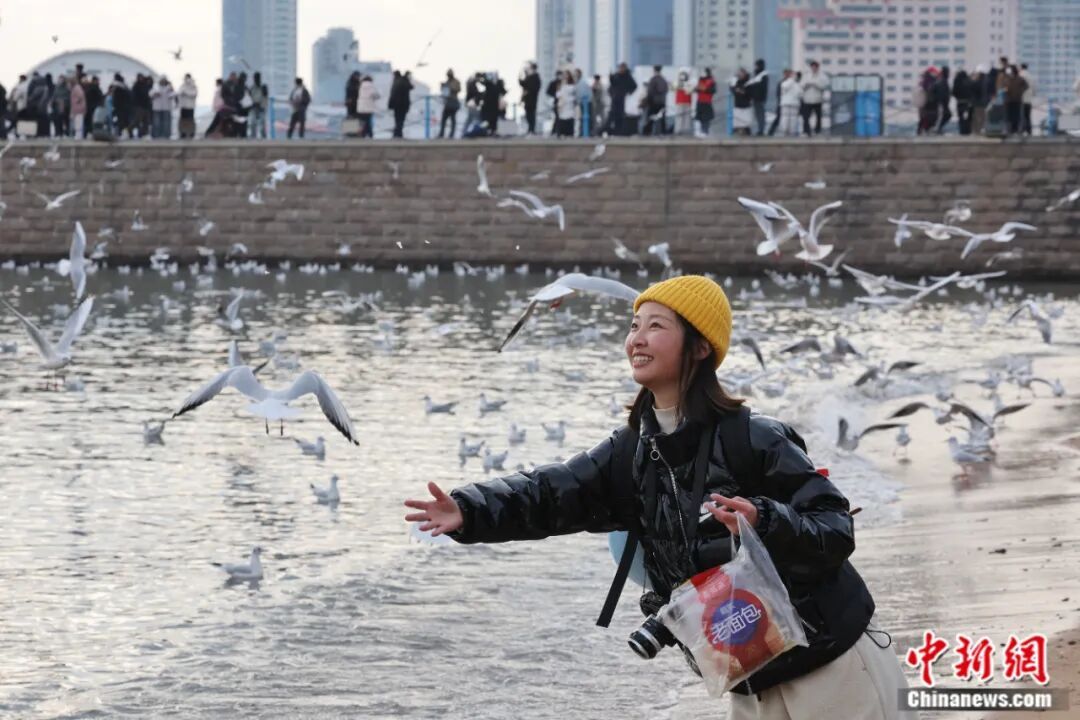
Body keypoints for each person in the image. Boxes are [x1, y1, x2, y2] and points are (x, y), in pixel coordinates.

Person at [404, 274, 912, 720]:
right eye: (633, 325)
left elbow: (834, 527)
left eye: (655, 326)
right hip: (750, 676)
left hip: (832, 665)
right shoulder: (631, 453)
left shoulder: (755, 439)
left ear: (699, 346)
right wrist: (469, 510)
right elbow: (548, 492)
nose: (635, 339)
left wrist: (766, 519)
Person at [607, 62, 637, 136]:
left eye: (622, 68)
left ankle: (620, 132)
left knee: (620, 117)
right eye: (620, 68)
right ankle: (610, 131)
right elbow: (612, 85)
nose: (621, 69)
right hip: (615, 99)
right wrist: (610, 78)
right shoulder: (616, 75)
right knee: (612, 116)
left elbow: (634, 86)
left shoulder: (628, 77)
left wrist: (628, 92)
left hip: (622, 100)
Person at [801, 61, 827, 136]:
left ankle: (817, 131)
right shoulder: (806, 76)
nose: (814, 68)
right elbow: (801, 85)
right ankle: (807, 131)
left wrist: (815, 84)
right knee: (806, 117)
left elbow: (824, 86)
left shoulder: (822, 76)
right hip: (807, 99)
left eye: (815, 67)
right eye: (812, 67)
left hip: (817, 99)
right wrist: (807, 85)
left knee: (818, 117)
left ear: (817, 67)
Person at [643, 65, 668, 136]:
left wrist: (647, 101)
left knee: (650, 117)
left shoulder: (653, 79)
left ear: (654, 70)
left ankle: (647, 132)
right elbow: (665, 90)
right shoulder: (663, 79)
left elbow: (650, 91)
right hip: (662, 102)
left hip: (653, 102)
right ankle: (663, 132)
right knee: (662, 119)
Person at [1003, 64, 1027, 136]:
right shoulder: (1007, 79)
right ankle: (1009, 130)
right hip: (1008, 99)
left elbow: (1026, 86)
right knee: (1008, 116)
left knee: (1016, 116)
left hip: (1016, 100)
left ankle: (1015, 130)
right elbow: (1004, 87)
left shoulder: (1019, 79)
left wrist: (1020, 92)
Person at [388, 70, 413, 138]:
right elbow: (411, 87)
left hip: (397, 104)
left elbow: (392, 94)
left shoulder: (396, 82)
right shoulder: (404, 81)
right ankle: (398, 133)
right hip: (403, 104)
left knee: (398, 119)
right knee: (401, 119)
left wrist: (390, 104)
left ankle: (397, 133)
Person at [747, 59, 769, 136]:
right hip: (756, 98)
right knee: (758, 114)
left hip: (760, 98)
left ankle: (761, 130)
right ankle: (760, 129)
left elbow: (762, 88)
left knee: (760, 114)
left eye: (756, 65)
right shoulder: (758, 75)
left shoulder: (762, 75)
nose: (755, 67)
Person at [778, 68, 802, 137]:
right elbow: (785, 87)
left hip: (794, 104)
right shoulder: (785, 82)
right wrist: (792, 79)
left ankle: (792, 132)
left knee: (793, 119)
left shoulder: (797, 84)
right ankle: (784, 131)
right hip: (786, 104)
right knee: (785, 118)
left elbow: (800, 93)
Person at [730, 68, 753, 136]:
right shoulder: (737, 82)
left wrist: (743, 92)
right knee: (737, 121)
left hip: (745, 105)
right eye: (739, 73)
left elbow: (750, 93)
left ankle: (746, 131)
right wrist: (735, 90)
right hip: (738, 104)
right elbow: (732, 89)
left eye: (741, 73)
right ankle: (738, 131)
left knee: (745, 122)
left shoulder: (748, 82)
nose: (740, 75)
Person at [480, 72, 505, 136]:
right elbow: (482, 82)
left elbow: (503, 91)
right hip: (488, 104)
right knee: (489, 118)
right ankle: (489, 130)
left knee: (494, 118)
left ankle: (493, 131)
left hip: (495, 104)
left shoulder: (499, 83)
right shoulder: (488, 83)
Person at [439, 69, 461, 139]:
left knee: (452, 119)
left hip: (453, 102)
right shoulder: (447, 82)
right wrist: (443, 86)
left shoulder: (456, 81)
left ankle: (451, 135)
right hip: (448, 102)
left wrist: (449, 87)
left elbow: (458, 89)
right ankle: (441, 134)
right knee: (444, 119)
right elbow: (444, 93)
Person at [694, 68, 716, 136]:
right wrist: (697, 88)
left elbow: (713, 90)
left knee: (706, 118)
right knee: (699, 117)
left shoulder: (711, 81)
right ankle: (699, 131)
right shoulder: (700, 80)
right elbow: (696, 89)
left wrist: (704, 89)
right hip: (700, 101)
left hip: (707, 101)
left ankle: (705, 131)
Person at [520, 62, 541, 135]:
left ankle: (532, 129)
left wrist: (528, 91)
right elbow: (523, 84)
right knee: (528, 114)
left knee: (531, 114)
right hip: (527, 100)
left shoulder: (536, 77)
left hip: (532, 99)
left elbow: (533, 88)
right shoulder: (528, 77)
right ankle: (530, 129)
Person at [356, 74, 379, 138]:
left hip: (361, 107)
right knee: (368, 121)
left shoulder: (361, 86)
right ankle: (369, 134)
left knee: (363, 121)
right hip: (368, 107)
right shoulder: (370, 86)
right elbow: (374, 95)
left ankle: (364, 133)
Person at [554, 70, 576, 137]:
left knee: (569, 118)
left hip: (569, 104)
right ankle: (561, 133)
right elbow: (558, 94)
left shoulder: (572, 85)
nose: (565, 76)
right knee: (561, 119)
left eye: (567, 75)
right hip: (562, 105)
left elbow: (573, 93)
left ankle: (569, 133)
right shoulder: (560, 85)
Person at [969, 64, 988, 136]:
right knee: (981, 118)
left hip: (978, 103)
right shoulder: (985, 80)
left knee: (977, 118)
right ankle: (979, 130)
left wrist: (972, 79)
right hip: (982, 102)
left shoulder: (978, 82)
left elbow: (972, 87)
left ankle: (977, 131)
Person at [248, 72, 268, 139]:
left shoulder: (263, 87)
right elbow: (249, 98)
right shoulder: (252, 88)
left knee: (262, 123)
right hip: (254, 107)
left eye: (258, 77)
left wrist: (262, 106)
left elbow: (265, 97)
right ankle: (253, 137)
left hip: (261, 107)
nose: (256, 79)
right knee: (253, 123)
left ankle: (263, 137)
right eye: (255, 78)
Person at [177, 74, 198, 139]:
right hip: (183, 106)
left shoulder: (193, 86)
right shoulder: (182, 86)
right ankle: (183, 133)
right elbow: (179, 92)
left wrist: (186, 92)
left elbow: (194, 94)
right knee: (183, 120)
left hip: (190, 106)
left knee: (190, 120)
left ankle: (191, 133)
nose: (186, 79)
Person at [51, 74, 71, 138]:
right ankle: (59, 133)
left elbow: (69, 97)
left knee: (66, 121)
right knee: (58, 121)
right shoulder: (57, 87)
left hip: (65, 107)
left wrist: (63, 101)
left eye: (61, 79)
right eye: (59, 79)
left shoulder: (67, 88)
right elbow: (54, 96)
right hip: (57, 107)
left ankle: (66, 133)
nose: (60, 80)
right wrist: (54, 101)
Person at [673, 71, 693, 135]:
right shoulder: (677, 83)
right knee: (679, 117)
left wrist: (684, 85)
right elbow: (674, 88)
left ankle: (686, 130)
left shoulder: (689, 83)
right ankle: (678, 130)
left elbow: (689, 91)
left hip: (686, 102)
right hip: (680, 102)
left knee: (686, 117)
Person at [934, 66, 952, 134]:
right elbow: (942, 92)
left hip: (943, 102)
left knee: (947, 115)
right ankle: (938, 128)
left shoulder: (943, 80)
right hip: (942, 102)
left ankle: (939, 128)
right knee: (945, 115)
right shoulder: (942, 81)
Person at [1020, 63, 1035, 136]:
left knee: (1022, 116)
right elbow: (1034, 89)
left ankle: (1022, 130)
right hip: (1029, 99)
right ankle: (1029, 131)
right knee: (1028, 116)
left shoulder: (1020, 75)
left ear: (1021, 67)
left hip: (1021, 99)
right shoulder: (1031, 76)